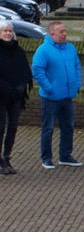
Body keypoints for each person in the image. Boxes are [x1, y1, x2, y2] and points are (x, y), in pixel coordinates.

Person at [32, 20, 82, 169]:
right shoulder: (43, 50)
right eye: (61, 32)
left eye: (65, 31)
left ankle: (65, 156)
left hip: (67, 96)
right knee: (48, 128)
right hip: (51, 98)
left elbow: (77, 67)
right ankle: (46, 158)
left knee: (68, 127)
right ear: (52, 33)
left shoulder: (70, 49)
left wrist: (76, 84)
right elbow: (37, 70)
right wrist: (49, 88)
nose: (65, 34)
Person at [0, 20, 32, 175]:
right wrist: (6, 88)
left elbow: (25, 72)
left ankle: (7, 157)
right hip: (1, 96)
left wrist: (19, 88)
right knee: (0, 128)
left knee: (12, 127)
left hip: (16, 96)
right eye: (4, 31)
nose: (7, 33)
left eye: (9, 31)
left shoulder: (18, 51)